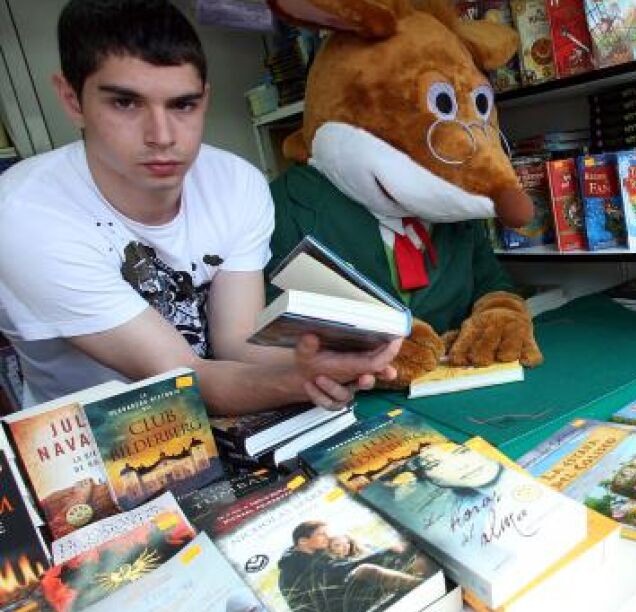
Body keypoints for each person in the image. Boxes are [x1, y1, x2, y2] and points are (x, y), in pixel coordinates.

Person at [0, 0, 400, 414]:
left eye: (182, 104)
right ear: (72, 100)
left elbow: (235, 343)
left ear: (204, 99)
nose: (161, 136)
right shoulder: (26, 215)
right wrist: (300, 381)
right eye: (125, 103)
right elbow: (186, 378)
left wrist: (326, 361)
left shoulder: (236, 183)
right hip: (97, 438)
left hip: (228, 423)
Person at [276, 521, 423, 612]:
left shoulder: (309, 555)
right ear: (303, 541)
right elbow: (340, 571)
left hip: (336, 602)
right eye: (322, 534)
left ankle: (419, 571)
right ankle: (421, 585)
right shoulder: (295, 563)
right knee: (366, 570)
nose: (328, 537)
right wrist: (386, 552)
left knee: (401, 559)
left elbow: (339, 570)